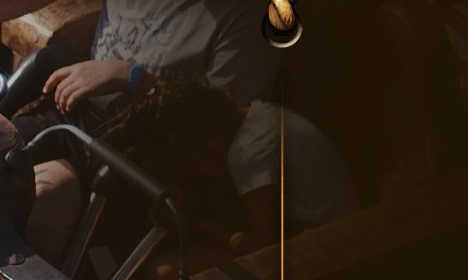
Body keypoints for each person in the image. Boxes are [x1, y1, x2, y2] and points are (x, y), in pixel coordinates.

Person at [0, 0, 278, 256]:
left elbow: (225, 123)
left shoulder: (246, 9)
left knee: (44, 195)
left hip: (150, 156)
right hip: (75, 111)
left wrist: (132, 77)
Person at [96, 74, 358, 261]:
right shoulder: (253, 116)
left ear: (210, 151)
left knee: (163, 272)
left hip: (331, 247)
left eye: (188, 167)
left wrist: (205, 228)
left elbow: (264, 253)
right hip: (306, 225)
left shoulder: (249, 152)